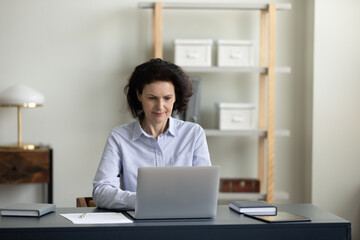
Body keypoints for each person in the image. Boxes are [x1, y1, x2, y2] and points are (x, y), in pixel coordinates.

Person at [92, 58, 211, 210]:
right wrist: (143, 200)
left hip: (183, 222)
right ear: (139, 96)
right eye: (152, 98)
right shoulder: (119, 137)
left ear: (175, 97)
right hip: (137, 225)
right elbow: (101, 191)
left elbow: (205, 190)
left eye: (167, 98)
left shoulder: (193, 134)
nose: (160, 106)